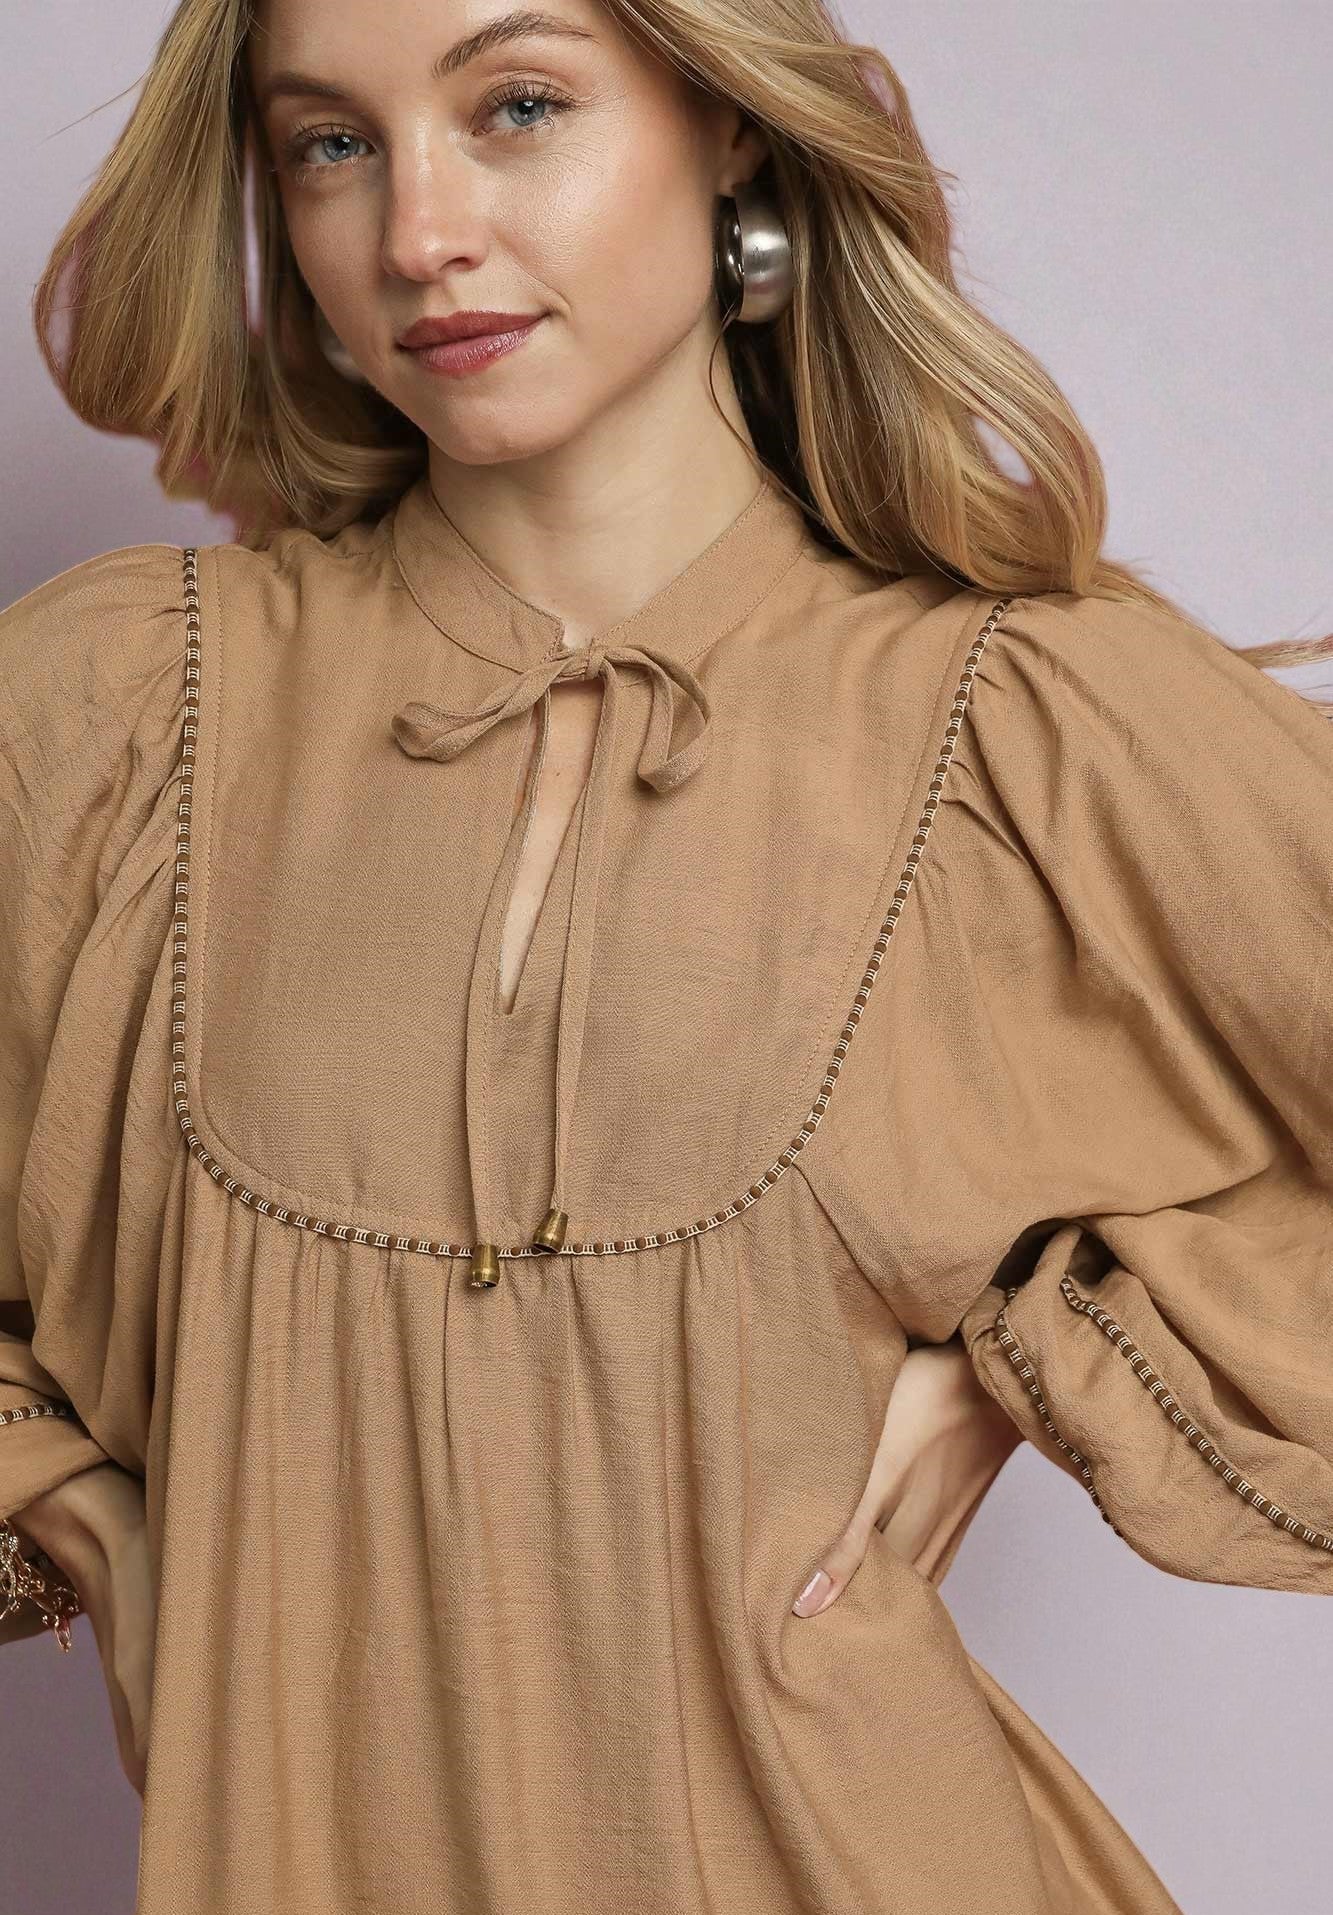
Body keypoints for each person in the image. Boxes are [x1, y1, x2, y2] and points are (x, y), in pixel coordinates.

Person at [2, 0, 1331, 1907]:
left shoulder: (1022, 718)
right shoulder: (119, 715)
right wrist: (91, 1529)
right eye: (329, 145)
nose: (417, 232)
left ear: (729, 129)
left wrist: (1045, 1352)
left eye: (515, 106)